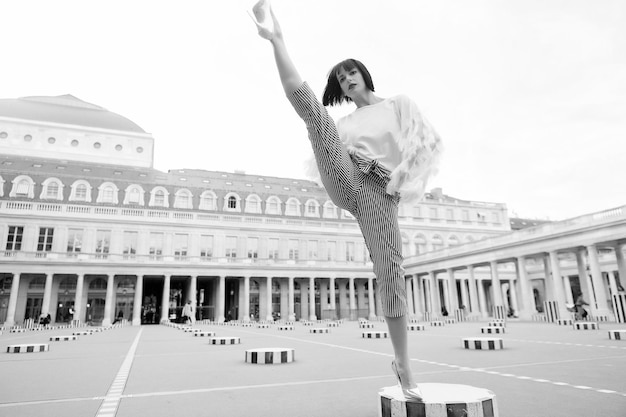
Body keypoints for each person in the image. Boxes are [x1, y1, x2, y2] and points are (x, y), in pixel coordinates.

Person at [250, 1, 442, 402]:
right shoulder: (345, 124)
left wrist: (398, 182)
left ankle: (402, 362)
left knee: (390, 268)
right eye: (341, 77)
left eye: (351, 71)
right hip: (346, 179)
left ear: (363, 74)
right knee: (316, 120)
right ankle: (277, 43)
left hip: (379, 191)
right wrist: (276, 39)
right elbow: (328, 142)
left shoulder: (398, 105)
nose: (347, 79)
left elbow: (425, 147)